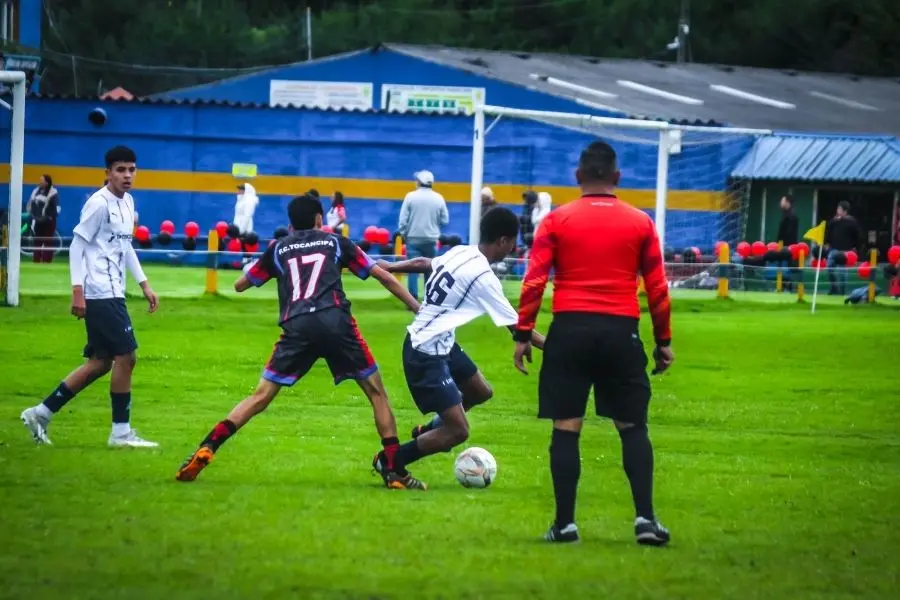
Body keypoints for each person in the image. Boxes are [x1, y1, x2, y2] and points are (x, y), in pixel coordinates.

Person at [175, 194, 426, 490]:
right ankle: (395, 472)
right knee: (376, 393)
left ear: (291, 224)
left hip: (297, 326)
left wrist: (262, 268)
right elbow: (383, 276)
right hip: (335, 322)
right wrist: (416, 307)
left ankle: (209, 445)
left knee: (260, 396)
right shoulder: (335, 242)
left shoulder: (278, 248)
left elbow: (240, 285)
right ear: (320, 219)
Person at [512, 140, 674, 546]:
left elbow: (534, 281)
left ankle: (565, 525)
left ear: (578, 176)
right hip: (622, 330)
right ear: (617, 177)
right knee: (632, 426)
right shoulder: (640, 222)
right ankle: (645, 520)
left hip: (570, 330)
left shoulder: (556, 221)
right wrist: (663, 341)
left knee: (566, 427)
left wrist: (523, 334)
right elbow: (657, 287)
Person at [371, 207, 544, 479]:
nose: (513, 248)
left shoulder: (463, 251)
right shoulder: (483, 277)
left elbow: (425, 262)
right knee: (458, 431)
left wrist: (392, 266)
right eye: (513, 242)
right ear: (503, 241)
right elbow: (518, 327)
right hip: (425, 351)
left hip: (441, 341)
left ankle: (429, 430)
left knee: (480, 392)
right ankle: (390, 461)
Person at [20, 146, 160, 448]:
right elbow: (77, 246)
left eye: (131, 170)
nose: (127, 175)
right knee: (127, 357)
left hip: (114, 291)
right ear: (108, 173)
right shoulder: (98, 204)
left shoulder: (128, 202)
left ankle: (40, 413)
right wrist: (77, 291)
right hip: (99, 292)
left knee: (101, 362)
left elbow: (125, 247)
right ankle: (120, 433)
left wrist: (144, 284)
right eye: (120, 170)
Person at [398, 170, 449, 300]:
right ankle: (429, 297)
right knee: (430, 268)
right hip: (431, 238)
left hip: (413, 238)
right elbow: (445, 220)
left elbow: (403, 220)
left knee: (412, 269)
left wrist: (403, 233)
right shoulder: (438, 198)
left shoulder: (410, 196)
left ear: (419, 182)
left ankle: (412, 298)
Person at [825, 201, 862, 295]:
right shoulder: (834, 221)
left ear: (845, 211)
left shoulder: (852, 222)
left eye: (839, 209)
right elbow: (829, 232)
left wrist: (855, 247)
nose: (837, 210)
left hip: (845, 250)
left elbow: (857, 236)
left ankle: (842, 291)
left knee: (842, 271)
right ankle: (834, 287)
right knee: (829, 267)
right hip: (834, 248)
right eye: (838, 209)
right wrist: (828, 243)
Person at [28, 174, 60, 263]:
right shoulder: (35, 192)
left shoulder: (53, 193)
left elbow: (57, 208)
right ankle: (36, 260)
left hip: (49, 222)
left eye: (42, 180)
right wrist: (34, 216)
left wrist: (49, 217)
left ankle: (46, 261)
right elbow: (31, 205)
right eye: (40, 180)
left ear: (47, 182)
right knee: (37, 241)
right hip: (38, 221)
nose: (40, 182)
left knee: (48, 241)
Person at [776, 195, 799, 291]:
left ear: (787, 202)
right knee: (782, 266)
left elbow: (790, 233)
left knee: (786, 266)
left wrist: (785, 246)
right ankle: (782, 286)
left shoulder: (791, 216)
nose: (781, 203)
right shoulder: (785, 214)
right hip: (783, 246)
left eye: (783, 201)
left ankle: (787, 286)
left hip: (787, 247)